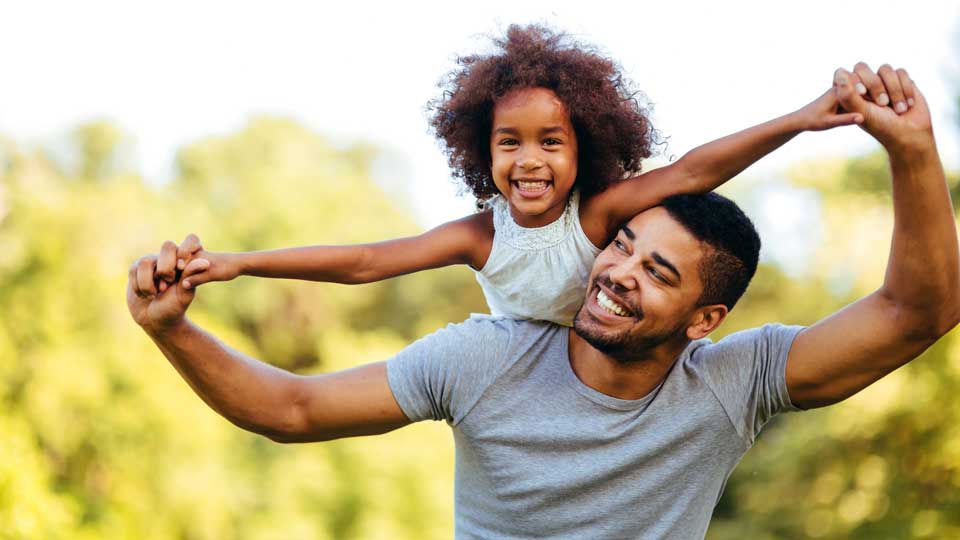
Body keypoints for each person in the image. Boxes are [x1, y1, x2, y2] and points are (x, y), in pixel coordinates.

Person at [128, 63, 957, 539]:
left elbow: (914, 313)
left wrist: (913, 152)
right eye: (623, 245)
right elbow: (295, 409)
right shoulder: (486, 355)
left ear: (707, 320)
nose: (620, 270)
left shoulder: (731, 384)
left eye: (660, 273)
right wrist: (176, 330)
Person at [155, 25, 865, 327]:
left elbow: (693, 169)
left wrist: (797, 121)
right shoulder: (478, 236)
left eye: (550, 142)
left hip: (610, 364)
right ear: (481, 151)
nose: (529, 161)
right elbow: (368, 261)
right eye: (509, 143)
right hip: (520, 378)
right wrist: (240, 263)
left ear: (583, 148)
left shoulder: (596, 218)